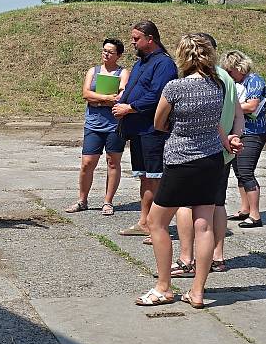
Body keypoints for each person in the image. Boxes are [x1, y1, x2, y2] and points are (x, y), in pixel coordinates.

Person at [135, 34, 239, 308]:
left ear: (183, 56)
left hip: (181, 161)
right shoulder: (217, 86)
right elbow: (216, 122)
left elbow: (158, 122)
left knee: (157, 222)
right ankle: (197, 291)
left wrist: (177, 128)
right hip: (211, 160)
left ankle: (163, 287)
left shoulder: (175, 88)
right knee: (203, 224)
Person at [170, 34, 245, 277]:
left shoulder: (191, 81)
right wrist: (235, 138)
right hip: (221, 153)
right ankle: (218, 256)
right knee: (218, 204)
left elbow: (164, 119)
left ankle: (186, 258)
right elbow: (238, 116)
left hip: (192, 152)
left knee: (185, 205)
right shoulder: (226, 79)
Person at [112, 20, 178, 238]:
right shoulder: (141, 62)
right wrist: (124, 97)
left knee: (156, 177)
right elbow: (137, 88)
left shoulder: (164, 64)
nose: (132, 42)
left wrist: (130, 107)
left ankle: (156, 225)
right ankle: (144, 222)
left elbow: (159, 94)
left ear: (150, 39)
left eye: (136, 38)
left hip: (153, 130)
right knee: (145, 177)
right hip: (137, 129)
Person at [65, 38, 130, 216]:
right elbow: (86, 94)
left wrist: (101, 98)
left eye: (110, 51)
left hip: (114, 124)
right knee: (87, 162)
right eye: (104, 50)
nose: (106, 54)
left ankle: (108, 202)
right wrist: (107, 98)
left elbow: (121, 96)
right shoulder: (93, 71)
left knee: (112, 162)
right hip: (94, 123)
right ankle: (82, 200)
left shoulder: (123, 72)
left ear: (118, 55)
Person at [222, 50, 266, 228]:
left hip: (253, 133)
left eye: (230, 72)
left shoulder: (254, 81)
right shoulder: (238, 82)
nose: (230, 76)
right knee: (239, 172)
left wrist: (229, 107)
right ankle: (245, 209)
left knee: (246, 171)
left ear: (238, 67)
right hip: (240, 132)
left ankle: (255, 215)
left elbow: (252, 105)